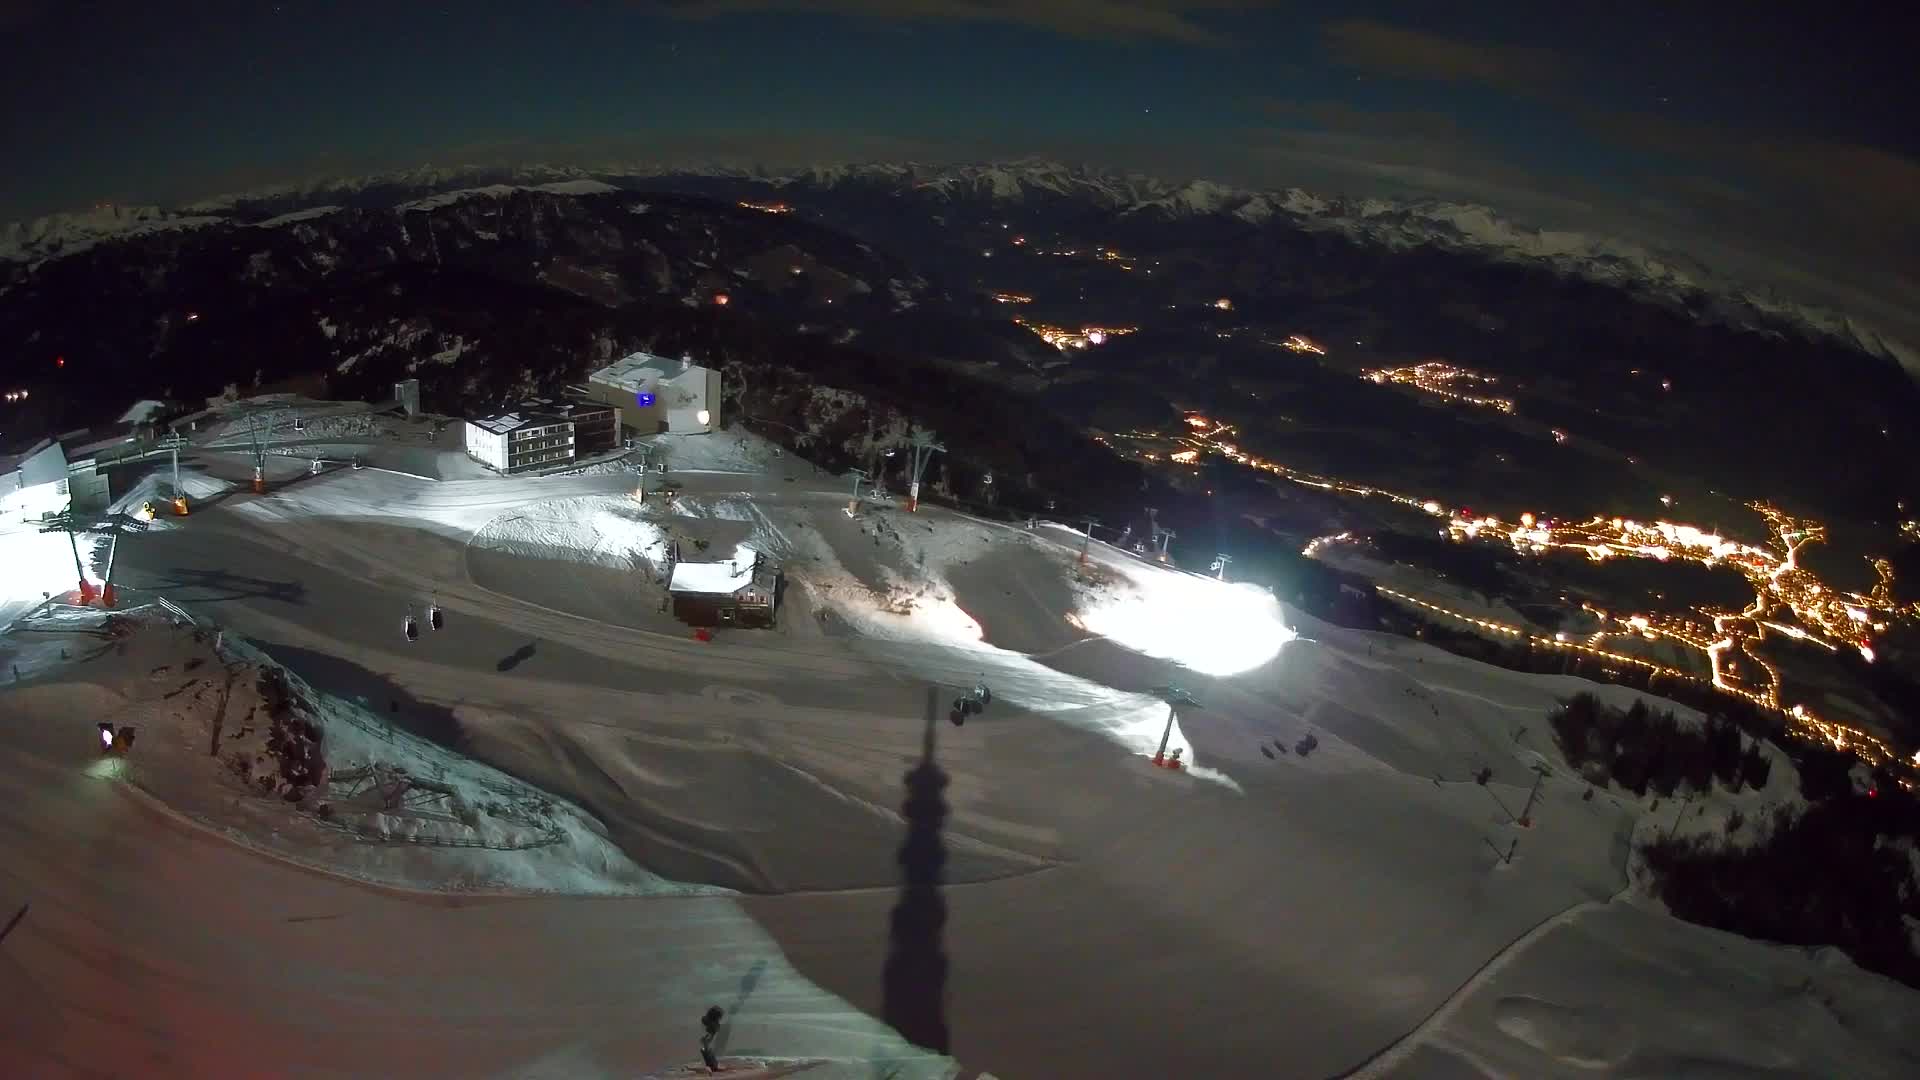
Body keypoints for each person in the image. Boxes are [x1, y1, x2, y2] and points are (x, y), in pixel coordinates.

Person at [700, 1005, 725, 1072]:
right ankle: (713, 1065)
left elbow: (710, 1033)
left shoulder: (713, 1024)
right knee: (706, 1046)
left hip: (711, 1027)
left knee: (706, 1046)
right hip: (711, 1027)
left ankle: (712, 1064)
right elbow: (710, 1034)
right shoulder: (713, 1025)